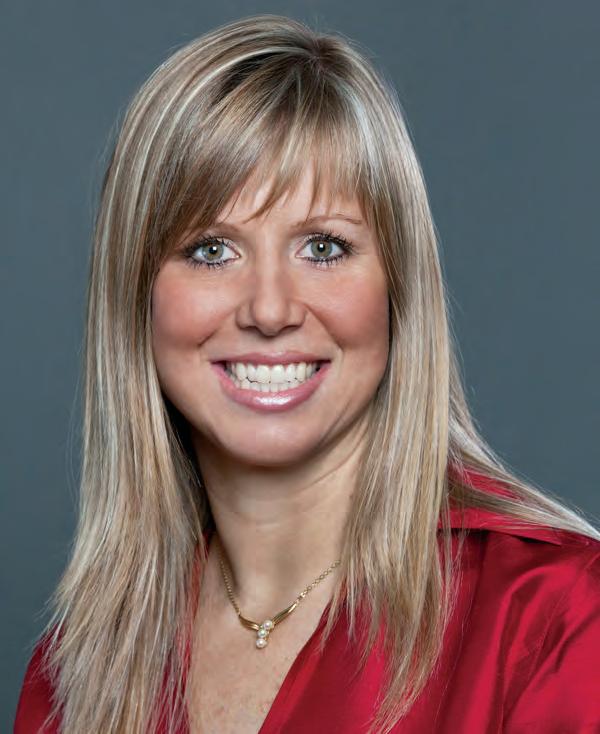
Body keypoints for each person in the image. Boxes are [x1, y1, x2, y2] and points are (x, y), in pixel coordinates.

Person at [14, 13, 600, 734]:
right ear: (137, 296)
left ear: (398, 287)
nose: (269, 309)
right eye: (210, 250)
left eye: (323, 247)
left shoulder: (558, 621)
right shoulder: (79, 672)